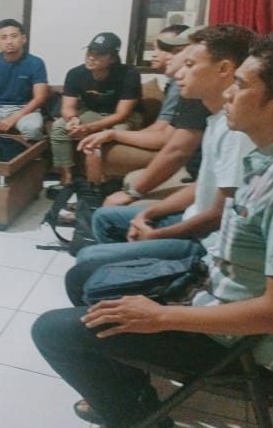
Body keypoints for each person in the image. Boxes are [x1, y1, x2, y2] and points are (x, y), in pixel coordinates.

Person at [32, 32, 273, 428]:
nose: (229, 93)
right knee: (83, 279)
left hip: (235, 342)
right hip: (210, 292)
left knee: (52, 331)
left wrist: (161, 316)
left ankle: (140, 418)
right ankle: (131, 396)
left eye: (241, 85)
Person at [65, 24, 256, 305]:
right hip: (192, 215)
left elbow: (179, 156)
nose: (178, 71)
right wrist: (149, 211)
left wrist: (152, 226)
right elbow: (203, 185)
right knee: (104, 219)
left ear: (224, 69)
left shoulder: (235, 129)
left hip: (204, 240)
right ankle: (122, 278)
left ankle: (125, 284)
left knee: (86, 261)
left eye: (188, 63)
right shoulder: (215, 117)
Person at [76, 25, 197, 181]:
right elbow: (163, 130)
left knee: (102, 143)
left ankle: (96, 188)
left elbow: (167, 139)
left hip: (192, 170)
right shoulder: (176, 83)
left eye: (172, 50)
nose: (155, 54)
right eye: (157, 48)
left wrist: (113, 134)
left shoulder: (187, 88)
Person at [50, 32, 143, 186]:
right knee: (59, 126)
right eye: (89, 52)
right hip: (94, 113)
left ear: (112, 58)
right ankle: (67, 177)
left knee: (119, 131)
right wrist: (73, 119)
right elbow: (67, 107)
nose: (91, 57)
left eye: (99, 54)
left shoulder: (129, 74)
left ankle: (110, 181)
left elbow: (122, 114)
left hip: (124, 116)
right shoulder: (75, 74)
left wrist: (90, 128)